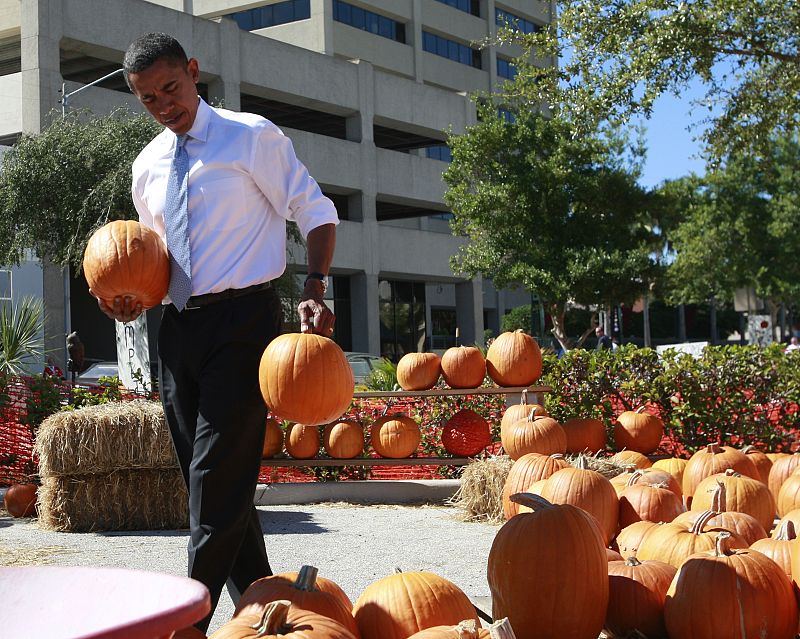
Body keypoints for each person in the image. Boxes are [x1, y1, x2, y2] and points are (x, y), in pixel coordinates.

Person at [92, 33, 338, 632]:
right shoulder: (147, 165)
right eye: (149, 98)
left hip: (245, 323)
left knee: (213, 477)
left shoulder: (250, 136)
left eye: (171, 88)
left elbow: (316, 211)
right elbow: (151, 259)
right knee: (215, 484)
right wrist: (130, 299)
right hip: (178, 329)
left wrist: (315, 286)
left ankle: (186, 624)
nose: (164, 105)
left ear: (194, 72)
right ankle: (267, 609)